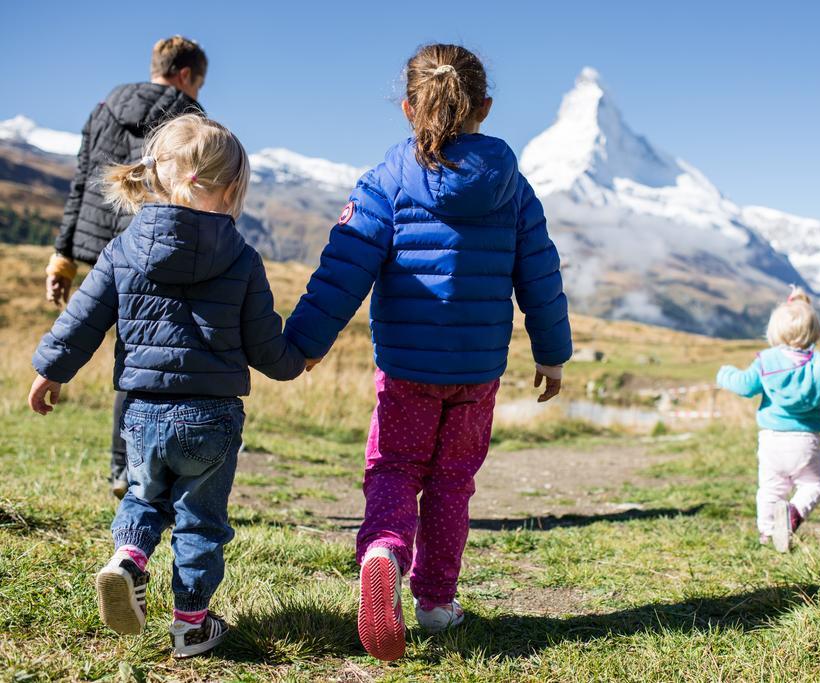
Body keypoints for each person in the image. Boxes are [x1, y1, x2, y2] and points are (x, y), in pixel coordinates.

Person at [283, 44, 572, 660]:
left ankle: (384, 550)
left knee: (393, 469)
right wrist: (552, 354)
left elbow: (344, 267)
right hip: (477, 374)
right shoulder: (514, 190)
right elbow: (540, 276)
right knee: (451, 483)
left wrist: (305, 344)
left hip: (406, 372)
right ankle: (437, 603)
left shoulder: (385, 181)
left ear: (409, 106)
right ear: (485, 108)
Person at [29, 115, 308, 658]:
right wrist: (296, 362)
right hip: (212, 420)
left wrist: (51, 370)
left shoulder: (123, 249)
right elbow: (265, 346)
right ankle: (191, 624)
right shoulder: (244, 259)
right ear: (231, 191)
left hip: (142, 413)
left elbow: (83, 317)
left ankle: (128, 559)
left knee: (143, 497)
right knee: (200, 521)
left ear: (155, 177)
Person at [46, 35, 208, 498]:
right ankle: (129, 468)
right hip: (151, 247)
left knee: (104, 340)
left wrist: (63, 254)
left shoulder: (103, 108)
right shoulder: (188, 116)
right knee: (143, 355)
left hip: (98, 248)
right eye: (198, 84)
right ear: (184, 76)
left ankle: (125, 468)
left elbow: (81, 183)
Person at [716, 289, 820, 552]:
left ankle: (767, 533)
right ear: (815, 332)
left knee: (770, 489)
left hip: (771, 440)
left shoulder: (766, 362)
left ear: (774, 332)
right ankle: (793, 513)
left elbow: (744, 386)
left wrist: (724, 373)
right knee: (814, 486)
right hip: (806, 441)